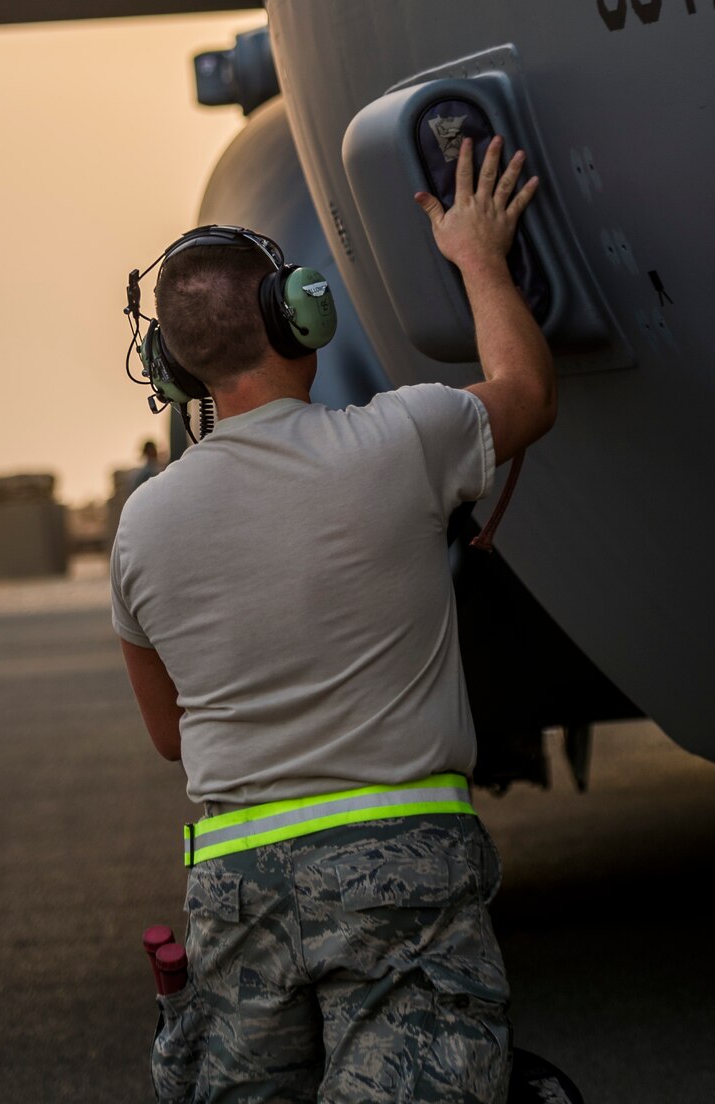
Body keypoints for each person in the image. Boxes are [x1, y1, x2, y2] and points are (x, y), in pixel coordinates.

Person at [111, 134, 556, 1102]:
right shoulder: (401, 439)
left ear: (176, 373)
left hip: (233, 885)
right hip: (400, 863)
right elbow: (526, 392)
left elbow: (168, 733)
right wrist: (476, 252)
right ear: (298, 316)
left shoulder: (140, 524)